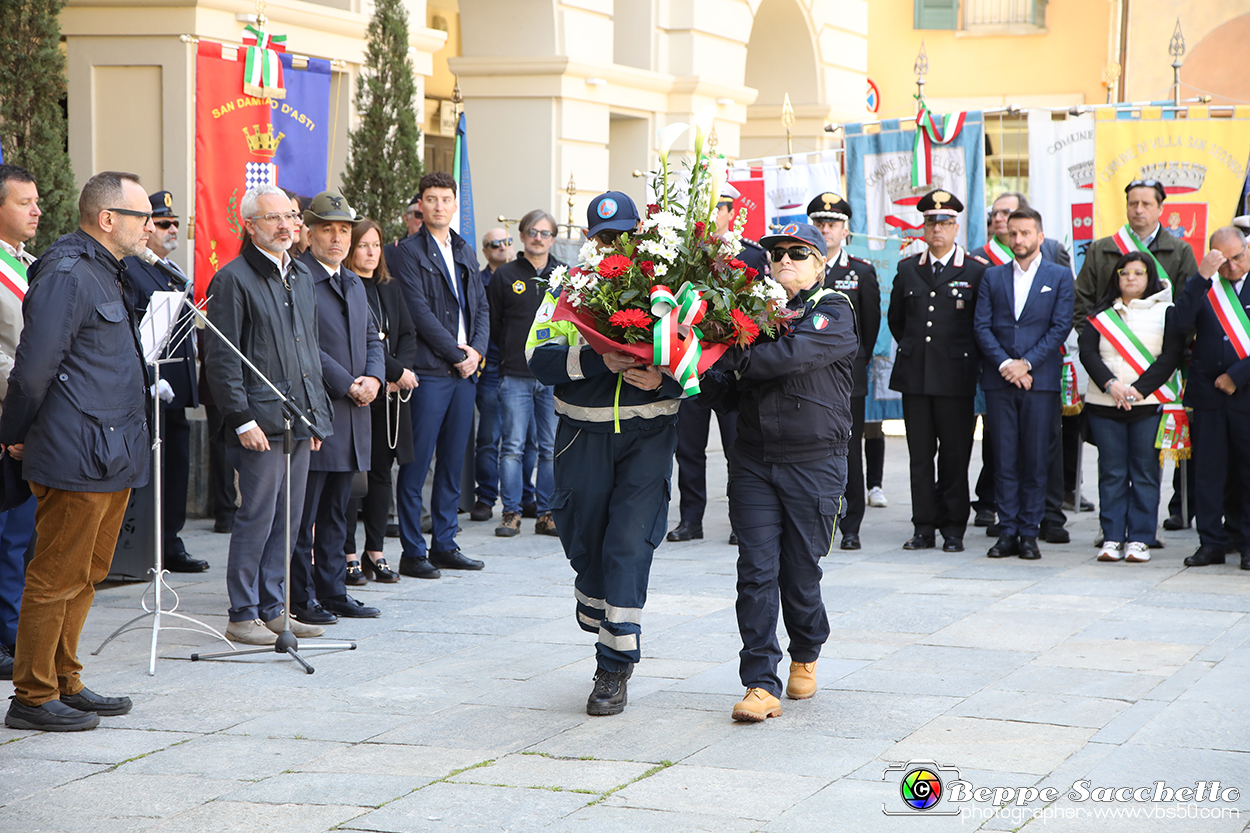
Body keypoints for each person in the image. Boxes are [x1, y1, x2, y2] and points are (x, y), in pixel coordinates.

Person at [0, 171, 152, 731]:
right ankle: (33, 696)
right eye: (140, 216)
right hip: (75, 451)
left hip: (111, 450)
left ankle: (65, 678)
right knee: (54, 575)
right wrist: (14, 430)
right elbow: (34, 368)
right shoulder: (67, 272)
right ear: (108, 218)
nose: (149, 227)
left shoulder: (106, 269)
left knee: (88, 572)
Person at [528, 190, 683, 716]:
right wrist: (602, 361)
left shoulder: (666, 289)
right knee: (586, 543)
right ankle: (597, 606)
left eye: (624, 236)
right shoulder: (566, 289)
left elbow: (701, 365)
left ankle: (613, 667)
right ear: (590, 242)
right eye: (604, 237)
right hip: (581, 439)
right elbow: (538, 357)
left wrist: (664, 378)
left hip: (648, 439)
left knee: (627, 545)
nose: (614, 245)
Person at [700, 222, 858, 722]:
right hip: (753, 460)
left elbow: (790, 357)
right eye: (776, 253)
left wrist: (728, 349)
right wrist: (696, 363)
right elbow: (722, 389)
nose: (784, 259)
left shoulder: (833, 309)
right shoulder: (751, 315)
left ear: (819, 263)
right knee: (756, 571)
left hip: (815, 462)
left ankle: (807, 650)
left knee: (800, 572)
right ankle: (759, 684)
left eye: (797, 252)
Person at [205, 183, 332, 646]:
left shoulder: (299, 275)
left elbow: (309, 353)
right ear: (251, 226)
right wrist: (241, 418)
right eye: (273, 218)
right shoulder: (233, 278)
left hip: (298, 419)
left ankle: (275, 609)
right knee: (257, 516)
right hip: (258, 421)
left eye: (290, 217)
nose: (285, 225)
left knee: (290, 519)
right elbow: (222, 357)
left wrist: (315, 416)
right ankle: (242, 614)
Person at [1074, 180, 1199, 531]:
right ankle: (1111, 531)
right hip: (1108, 371)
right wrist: (1097, 343)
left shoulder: (1179, 250)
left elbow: (1189, 306)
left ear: (1161, 208)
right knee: (1112, 464)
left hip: (1158, 371)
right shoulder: (1102, 249)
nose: (1138, 210)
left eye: (1146, 203)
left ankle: (1161, 521)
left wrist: (1173, 347)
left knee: (1151, 459)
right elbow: (1082, 301)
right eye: (1133, 203)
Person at [289, 192, 386, 624]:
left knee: (337, 510)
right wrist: (349, 383)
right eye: (327, 228)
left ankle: (333, 590)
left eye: (344, 229)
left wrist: (375, 378)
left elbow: (372, 338)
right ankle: (299, 595)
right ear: (308, 233)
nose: (336, 237)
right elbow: (304, 344)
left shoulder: (353, 282)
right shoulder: (298, 278)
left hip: (353, 412)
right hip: (319, 409)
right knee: (303, 514)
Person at [388, 172, 489, 578]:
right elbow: (418, 312)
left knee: (452, 463)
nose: (439, 206)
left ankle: (445, 543)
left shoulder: (464, 250)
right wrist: (457, 353)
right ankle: (413, 551)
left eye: (446, 199)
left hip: (465, 373)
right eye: (431, 199)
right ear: (421, 205)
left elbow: (481, 307)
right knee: (416, 465)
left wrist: (476, 353)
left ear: (453, 204)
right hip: (430, 372)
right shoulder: (406, 253)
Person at [970, 192, 1075, 543]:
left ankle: (1029, 533)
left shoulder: (1059, 276)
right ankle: (1008, 531)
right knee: (1004, 459)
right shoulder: (993, 276)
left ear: (1039, 237)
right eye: (1013, 233)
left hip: (1039, 381)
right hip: (1000, 382)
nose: (1018, 240)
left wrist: (1026, 363)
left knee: (1034, 460)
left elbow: (1060, 326)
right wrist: (1006, 364)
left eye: (1025, 233)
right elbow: (981, 326)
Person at [887, 190, 987, 553]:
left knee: (955, 456)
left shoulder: (975, 270)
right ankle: (923, 527)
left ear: (956, 226)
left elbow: (981, 325)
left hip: (956, 378)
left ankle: (954, 528)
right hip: (916, 377)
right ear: (923, 227)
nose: (937, 229)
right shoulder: (908, 268)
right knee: (919, 457)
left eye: (944, 222)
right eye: (931, 222)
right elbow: (897, 320)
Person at [668, 184, 767, 545]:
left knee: (736, 448)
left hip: (729, 367)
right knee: (688, 448)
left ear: (729, 212)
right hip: (690, 363)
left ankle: (741, 522)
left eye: (716, 209)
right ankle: (690, 520)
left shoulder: (752, 255)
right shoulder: (684, 252)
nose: (709, 217)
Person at [122, 190, 208, 573]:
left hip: (176, 386)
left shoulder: (171, 269)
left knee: (176, 469)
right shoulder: (133, 268)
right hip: (149, 388)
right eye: (163, 224)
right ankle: (147, 546)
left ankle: (171, 541)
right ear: (146, 228)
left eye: (175, 223)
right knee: (152, 470)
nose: (173, 229)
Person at [1078, 252, 1182, 563]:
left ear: (1150, 277)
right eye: (1125, 273)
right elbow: (1088, 353)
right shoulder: (1102, 314)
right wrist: (1111, 384)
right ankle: (1111, 536)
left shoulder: (1167, 312)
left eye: (1138, 273)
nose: (1131, 279)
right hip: (1105, 403)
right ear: (1116, 277)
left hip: (1147, 405)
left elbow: (1171, 355)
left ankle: (1139, 538)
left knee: (1146, 472)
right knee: (1111, 472)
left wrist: (1138, 389)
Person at [343, 219, 417, 584]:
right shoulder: (343, 286)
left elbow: (406, 333)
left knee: (380, 474)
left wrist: (398, 373)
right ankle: (348, 554)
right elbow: (357, 341)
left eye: (376, 245)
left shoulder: (390, 287)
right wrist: (388, 372)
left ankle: (376, 551)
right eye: (363, 245)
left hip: (390, 397)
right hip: (358, 392)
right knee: (351, 478)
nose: (371, 252)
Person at [1172, 227, 1250, 569]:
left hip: (1245, 393)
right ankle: (1211, 542)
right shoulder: (1204, 286)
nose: (1232, 266)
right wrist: (1202, 277)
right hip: (1208, 397)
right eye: (1223, 260)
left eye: (1238, 257)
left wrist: (1237, 376)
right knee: (1208, 472)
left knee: (1247, 472)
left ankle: (1247, 543)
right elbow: (1178, 325)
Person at [809, 193, 880, 550]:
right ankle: (817, 517)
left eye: (832, 224)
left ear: (844, 229)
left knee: (849, 449)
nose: (825, 229)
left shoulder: (861, 272)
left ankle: (850, 524)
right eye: (819, 223)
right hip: (804, 377)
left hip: (846, 379)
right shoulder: (798, 265)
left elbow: (869, 329)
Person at [488, 210, 563, 538]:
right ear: (521, 235)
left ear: (553, 239)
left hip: (552, 376)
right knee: (513, 446)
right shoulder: (504, 276)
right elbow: (492, 325)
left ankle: (547, 513)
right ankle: (511, 513)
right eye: (532, 231)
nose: (538, 238)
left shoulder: (565, 276)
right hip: (515, 374)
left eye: (545, 233)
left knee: (550, 446)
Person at [0, 164, 41, 682]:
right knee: (7, 534)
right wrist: (34, 392)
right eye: (23, 201)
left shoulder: (25, 261)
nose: (35, 210)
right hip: (9, 413)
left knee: (20, 537)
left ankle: (15, 631)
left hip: (31, 417)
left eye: (35, 201)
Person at [469, 226, 523, 523]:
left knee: (524, 438)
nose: (501, 247)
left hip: (519, 366)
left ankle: (525, 496)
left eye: (505, 242)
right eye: (493, 244)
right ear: (485, 250)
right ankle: (487, 496)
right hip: (490, 367)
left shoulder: (525, 275)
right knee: (489, 436)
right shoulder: (478, 282)